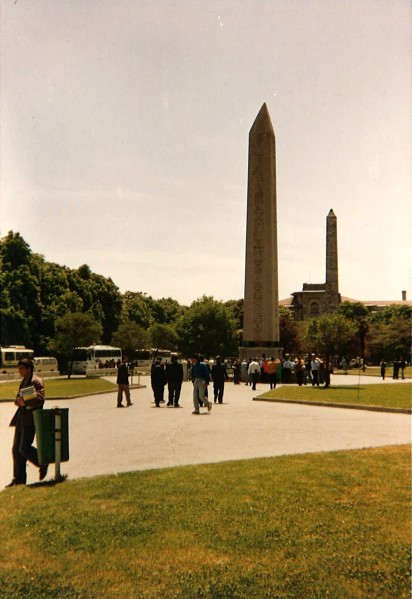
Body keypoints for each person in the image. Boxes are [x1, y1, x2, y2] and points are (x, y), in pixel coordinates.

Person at [6, 358, 48, 487]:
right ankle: (19, 480)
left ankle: (42, 462)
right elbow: (18, 398)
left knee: (24, 448)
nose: (19, 371)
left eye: (21, 368)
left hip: (30, 420)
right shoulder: (24, 381)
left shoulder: (35, 381)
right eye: (18, 368)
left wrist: (26, 402)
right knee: (16, 450)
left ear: (29, 368)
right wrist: (17, 401)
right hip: (21, 419)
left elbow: (40, 399)